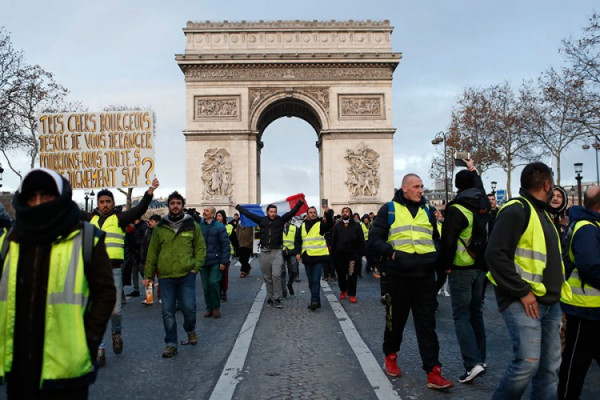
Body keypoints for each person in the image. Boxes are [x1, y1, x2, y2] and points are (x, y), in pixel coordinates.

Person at [0, 168, 115, 399]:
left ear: (61, 197)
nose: (39, 202)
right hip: (19, 360)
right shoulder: (8, 241)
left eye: (46, 195)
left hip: (66, 362)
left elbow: (105, 294)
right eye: (32, 197)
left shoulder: (87, 238)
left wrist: (89, 339)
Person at [485, 162, 572, 400]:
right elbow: (495, 255)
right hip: (523, 300)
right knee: (527, 364)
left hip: (550, 302)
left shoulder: (540, 213)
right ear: (547, 184)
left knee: (549, 370)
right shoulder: (516, 210)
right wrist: (522, 291)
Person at [370, 173, 454, 390]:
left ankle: (433, 371)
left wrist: (438, 258)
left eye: (422, 187)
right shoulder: (388, 209)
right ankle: (390, 354)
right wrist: (393, 253)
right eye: (416, 186)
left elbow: (434, 237)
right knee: (395, 322)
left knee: (427, 326)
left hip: (425, 277)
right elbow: (374, 239)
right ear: (404, 188)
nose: (421, 190)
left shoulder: (428, 210)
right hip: (399, 276)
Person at [80, 177, 159, 365]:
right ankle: (99, 347)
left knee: (115, 310)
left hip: (113, 270)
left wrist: (150, 192)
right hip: (92, 272)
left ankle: (116, 333)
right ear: (98, 204)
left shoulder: (120, 219)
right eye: (102, 202)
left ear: (113, 203)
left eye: (108, 201)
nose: (105, 205)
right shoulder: (89, 219)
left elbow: (139, 209)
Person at [441, 159, 489, 383]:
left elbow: (448, 241)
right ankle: (482, 358)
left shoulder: (457, 208)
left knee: (462, 316)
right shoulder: (484, 204)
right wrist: (473, 168)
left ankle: (472, 363)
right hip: (481, 268)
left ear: (457, 186)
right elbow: (479, 187)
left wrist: (446, 265)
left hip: (462, 267)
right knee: (476, 313)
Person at [144, 191, 206, 357]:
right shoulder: (160, 228)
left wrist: (196, 267)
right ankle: (171, 343)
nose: (176, 206)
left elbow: (200, 247)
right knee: (168, 311)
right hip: (166, 276)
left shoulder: (193, 225)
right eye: (172, 203)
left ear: (183, 206)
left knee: (189, 308)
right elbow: (152, 252)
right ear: (169, 206)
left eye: (178, 203)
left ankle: (190, 329)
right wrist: (148, 275)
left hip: (187, 274)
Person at [558, 186, 600, 400]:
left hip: (590, 306)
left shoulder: (590, 226)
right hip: (585, 307)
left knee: (577, 362)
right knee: (576, 364)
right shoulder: (587, 228)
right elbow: (591, 266)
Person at [234, 198, 305, 308]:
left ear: (276, 212)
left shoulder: (280, 220)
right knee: (267, 277)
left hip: (276, 251)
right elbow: (248, 213)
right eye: (271, 212)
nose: (273, 214)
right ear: (267, 212)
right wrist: (237, 206)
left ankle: (277, 298)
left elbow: (292, 212)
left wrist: (300, 202)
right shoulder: (261, 220)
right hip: (264, 251)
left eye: (274, 212)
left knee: (276, 275)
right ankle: (270, 297)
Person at [296, 205, 334, 310]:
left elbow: (330, 224)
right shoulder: (302, 226)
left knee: (315, 280)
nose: (313, 214)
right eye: (311, 212)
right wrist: (298, 252)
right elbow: (298, 240)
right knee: (311, 282)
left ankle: (314, 301)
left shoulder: (321, 224)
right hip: (307, 257)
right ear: (307, 215)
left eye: (314, 212)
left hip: (319, 257)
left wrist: (328, 213)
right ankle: (315, 300)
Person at [199, 207, 230, 317]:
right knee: (206, 287)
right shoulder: (199, 226)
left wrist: (223, 262)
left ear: (213, 214)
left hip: (216, 260)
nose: (204, 212)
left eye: (207, 211)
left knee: (213, 282)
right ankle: (209, 308)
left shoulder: (219, 227)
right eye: (204, 210)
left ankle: (216, 306)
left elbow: (225, 245)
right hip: (203, 261)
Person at [331, 206, 365, 303]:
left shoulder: (356, 225)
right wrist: (332, 253)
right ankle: (343, 289)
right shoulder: (337, 225)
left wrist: (361, 253)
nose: (345, 213)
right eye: (343, 212)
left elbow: (361, 239)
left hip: (352, 256)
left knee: (352, 275)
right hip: (340, 255)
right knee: (341, 275)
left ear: (350, 213)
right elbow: (334, 240)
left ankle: (352, 294)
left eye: (347, 211)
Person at [140, 214, 162, 305]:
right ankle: (149, 298)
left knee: (161, 279)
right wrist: (143, 258)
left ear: (157, 222)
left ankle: (161, 297)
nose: (150, 223)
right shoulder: (147, 231)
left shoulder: (162, 232)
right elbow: (143, 246)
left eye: (152, 221)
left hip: (160, 259)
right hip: (149, 260)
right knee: (149, 279)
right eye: (150, 221)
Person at [216, 210, 234, 302]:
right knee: (217, 274)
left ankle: (224, 291)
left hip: (226, 253)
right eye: (217, 216)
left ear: (223, 217)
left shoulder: (229, 226)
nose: (218, 217)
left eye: (220, 216)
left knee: (224, 274)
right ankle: (218, 291)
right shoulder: (213, 227)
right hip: (216, 253)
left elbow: (226, 234)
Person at [281, 219, 299, 296]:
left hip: (292, 252)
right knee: (282, 272)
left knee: (294, 271)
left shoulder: (294, 228)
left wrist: (298, 252)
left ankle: (289, 284)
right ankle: (284, 291)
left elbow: (298, 241)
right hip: (280, 252)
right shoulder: (277, 228)